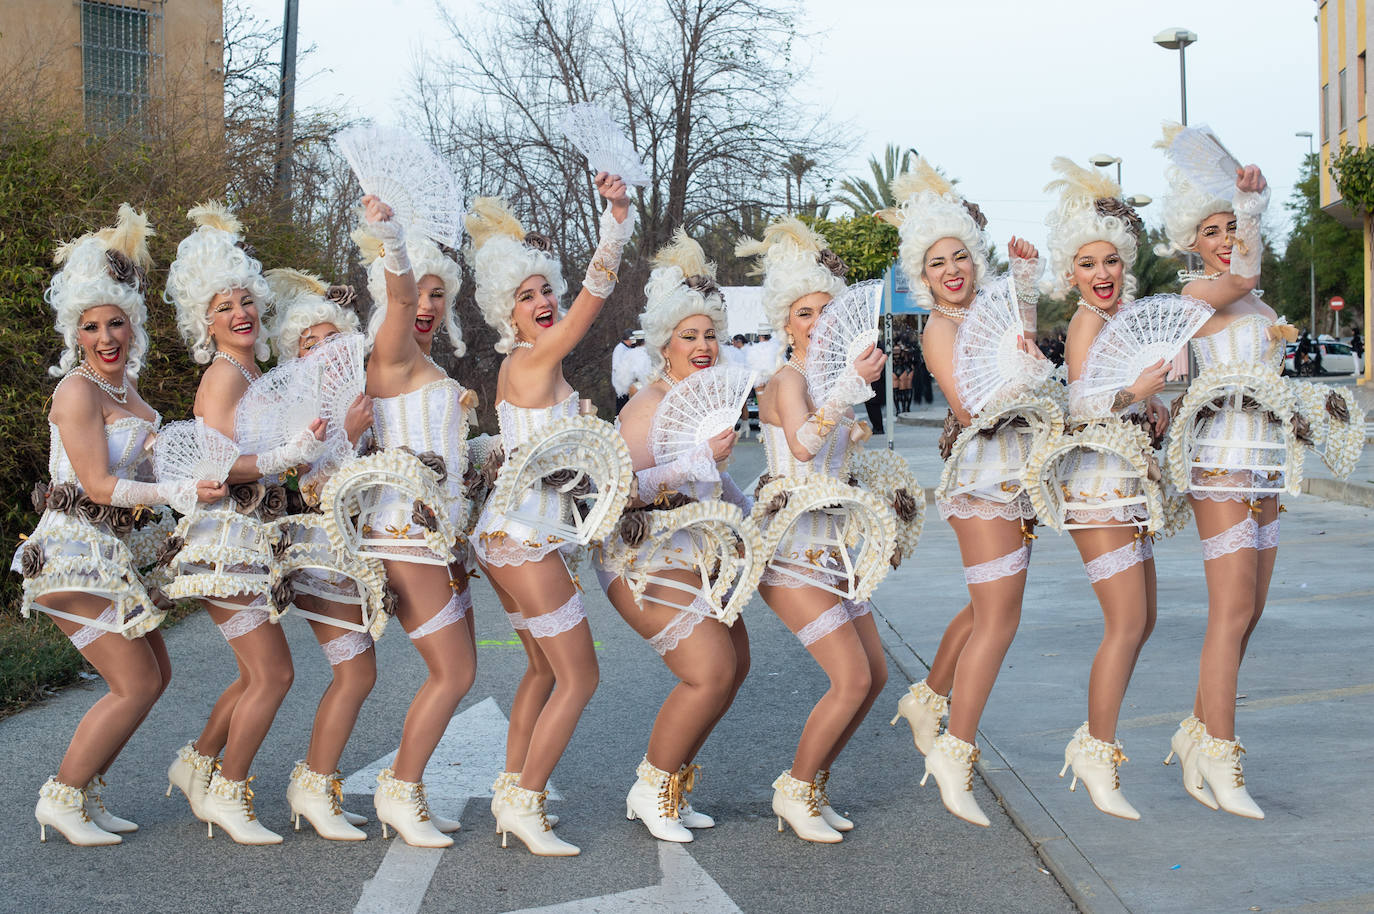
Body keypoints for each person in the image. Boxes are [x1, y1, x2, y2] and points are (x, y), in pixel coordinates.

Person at [16, 206, 224, 846]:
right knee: (132, 682)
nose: (106, 337)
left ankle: (87, 790)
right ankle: (62, 796)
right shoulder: (76, 393)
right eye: (92, 327)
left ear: (134, 328)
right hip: (71, 554)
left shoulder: (136, 402)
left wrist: (247, 469)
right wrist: (179, 488)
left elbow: (172, 472)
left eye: (116, 324)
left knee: (155, 677)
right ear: (75, 335)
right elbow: (101, 486)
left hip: (109, 556)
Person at [468, 173, 635, 856]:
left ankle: (514, 790)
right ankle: (528, 800)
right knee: (580, 674)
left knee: (541, 670)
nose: (542, 302)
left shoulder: (526, 371)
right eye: (525, 296)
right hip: (526, 538)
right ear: (506, 314)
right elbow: (593, 299)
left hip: (510, 534)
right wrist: (616, 220)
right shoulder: (537, 357)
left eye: (545, 290)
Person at [883, 159, 1047, 827]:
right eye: (936, 263)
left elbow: (1025, 349)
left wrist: (1029, 292)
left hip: (1019, 473)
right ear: (923, 279)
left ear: (975, 261)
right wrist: (1025, 378)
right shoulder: (940, 329)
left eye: (959, 257)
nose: (951, 269)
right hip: (983, 479)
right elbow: (970, 401)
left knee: (986, 610)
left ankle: (927, 697)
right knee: (1000, 619)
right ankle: (957, 750)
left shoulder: (989, 312)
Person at [163, 202, 328, 845]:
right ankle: (228, 793)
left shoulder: (251, 370)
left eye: (246, 303)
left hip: (248, 537)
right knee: (273, 674)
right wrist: (287, 456)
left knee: (255, 672)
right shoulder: (221, 377)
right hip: (223, 540)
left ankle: (198, 763)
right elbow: (216, 467)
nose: (240, 315)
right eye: (225, 308)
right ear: (206, 323)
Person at [595, 230, 752, 843]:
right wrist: (695, 462)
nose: (703, 344)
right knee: (708, 670)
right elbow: (618, 490)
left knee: (736, 665)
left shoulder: (709, 403)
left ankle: (673, 782)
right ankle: (650, 785)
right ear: (665, 343)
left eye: (710, 333)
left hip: (697, 548)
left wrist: (758, 507)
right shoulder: (647, 404)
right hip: (640, 552)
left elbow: (716, 488)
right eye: (690, 336)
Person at [736, 217, 888, 844]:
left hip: (833, 548)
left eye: (827, 308)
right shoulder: (788, 380)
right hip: (788, 550)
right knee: (849, 678)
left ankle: (814, 784)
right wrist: (848, 394)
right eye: (804, 312)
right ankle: (794, 789)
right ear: (785, 322)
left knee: (875, 676)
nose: (817, 320)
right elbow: (800, 446)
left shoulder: (831, 381)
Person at [1156, 127, 1283, 819]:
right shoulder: (1205, 294)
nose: (1226, 234)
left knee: (1252, 611)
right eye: (1213, 228)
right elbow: (1247, 273)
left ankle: (1198, 733)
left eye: (1232, 224)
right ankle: (1223, 756)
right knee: (1230, 611)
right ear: (1193, 244)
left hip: (1263, 464)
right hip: (1219, 466)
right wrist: (1254, 211)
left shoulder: (1257, 306)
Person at [1037, 158, 1168, 819]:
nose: (1102, 274)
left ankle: (1097, 742)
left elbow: (1118, 402)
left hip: (1127, 483)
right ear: (1072, 275)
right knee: (1125, 622)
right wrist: (1135, 393)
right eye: (1088, 264)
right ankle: (1096, 752)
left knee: (1144, 619)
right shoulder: (1088, 323)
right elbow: (1084, 409)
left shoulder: (1122, 319)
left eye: (1110, 262)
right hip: (1096, 489)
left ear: (1125, 265)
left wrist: (1151, 407)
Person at [349, 199, 479, 846]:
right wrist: (393, 238)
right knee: (451, 672)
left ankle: (409, 786)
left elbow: (450, 457)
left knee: (463, 669)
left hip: (442, 538)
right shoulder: (392, 356)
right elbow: (399, 305)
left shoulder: (431, 368)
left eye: (438, 294)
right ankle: (399, 792)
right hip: (403, 532)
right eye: (417, 293)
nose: (425, 304)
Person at [263, 269, 379, 841]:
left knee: (359, 672)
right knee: (355, 672)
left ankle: (318, 782)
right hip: (316, 548)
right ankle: (313, 787)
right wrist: (351, 438)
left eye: (332, 339)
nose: (322, 348)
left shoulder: (357, 395)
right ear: (294, 351)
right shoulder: (293, 405)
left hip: (352, 550)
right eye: (309, 342)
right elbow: (305, 485)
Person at [611, 327, 638, 413]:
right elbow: (616, 367)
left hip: (628, 382)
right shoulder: (620, 349)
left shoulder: (628, 348)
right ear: (629, 339)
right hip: (621, 383)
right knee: (621, 407)